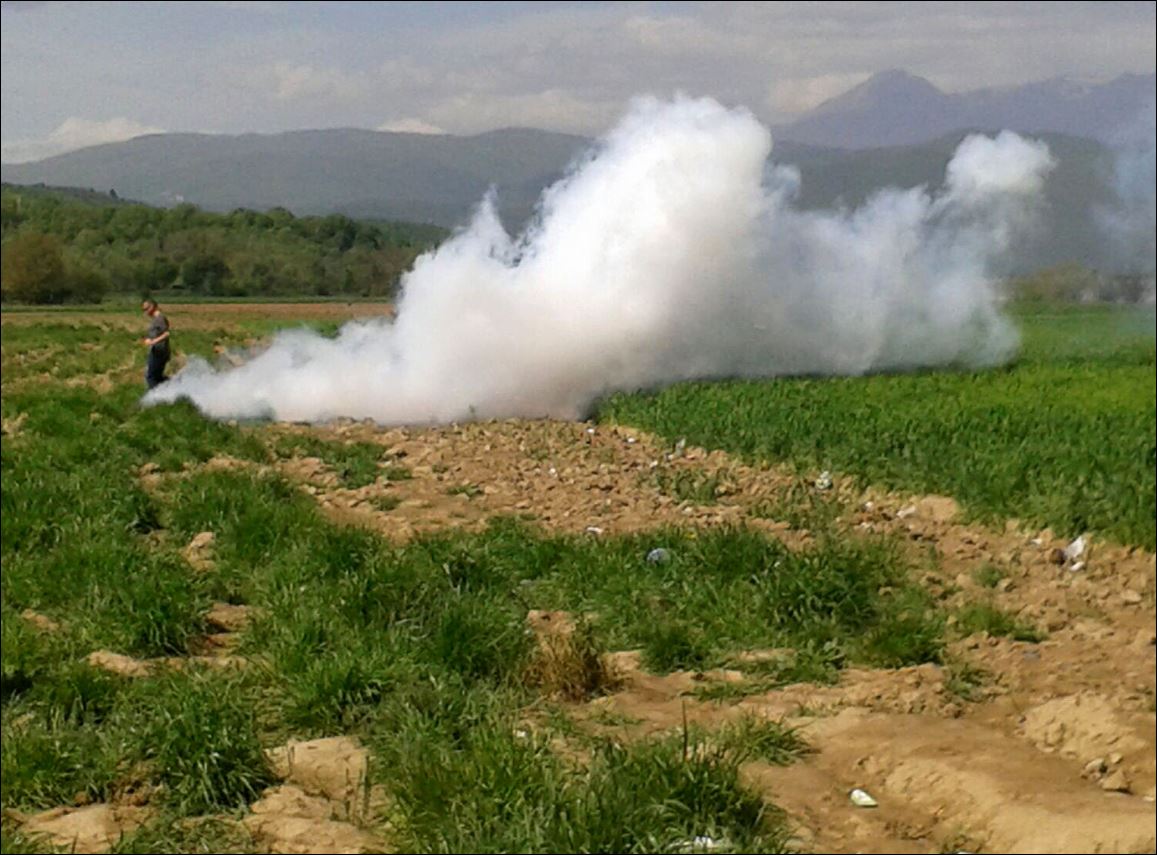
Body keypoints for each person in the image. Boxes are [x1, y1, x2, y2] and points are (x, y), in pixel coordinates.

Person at [140, 299, 171, 389]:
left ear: (152, 307)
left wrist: (153, 341)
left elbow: (166, 334)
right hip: (156, 350)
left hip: (160, 352)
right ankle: (174, 386)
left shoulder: (160, 319)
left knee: (151, 377)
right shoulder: (155, 319)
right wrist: (147, 339)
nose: (145, 312)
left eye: (146, 309)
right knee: (158, 377)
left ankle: (154, 397)